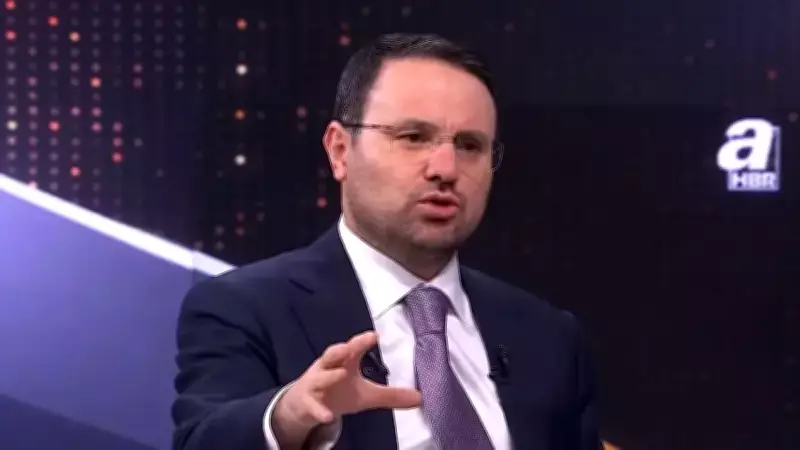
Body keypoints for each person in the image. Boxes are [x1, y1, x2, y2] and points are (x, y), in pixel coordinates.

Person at [172, 33, 602, 450]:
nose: (446, 169)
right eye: (413, 137)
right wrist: (289, 416)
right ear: (340, 151)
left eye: (470, 145)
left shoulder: (548, 337)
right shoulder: (245, 308)